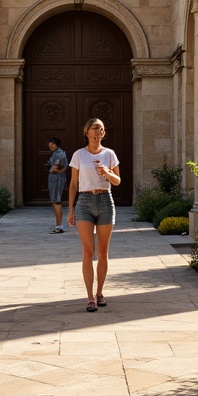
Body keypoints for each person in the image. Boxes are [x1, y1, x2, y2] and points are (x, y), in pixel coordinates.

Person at [67, 117, 120, 311]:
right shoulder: (79, 155)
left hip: (105, 201)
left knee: (103, 252)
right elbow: (73, 184)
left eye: (101, 129)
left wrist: (107, 172)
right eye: (95, 128)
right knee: (88, 252)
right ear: (86, 131)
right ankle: (90, 297)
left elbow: (117, 181)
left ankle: (100, 292)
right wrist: (71, 210)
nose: (98, 132)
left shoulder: (110, 154)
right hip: (85, 202)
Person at [46, 136, 69, 233]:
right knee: (55, 202)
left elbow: (62, 167)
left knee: (56, 202)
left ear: (57, 144)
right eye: (49, 143)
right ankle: (59, 225)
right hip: (55, 179)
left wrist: (53, 169)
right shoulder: (56, 153)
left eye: (53, 143)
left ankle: (59, 226)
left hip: (56, 179)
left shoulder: (59, 153)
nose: (50, 145)